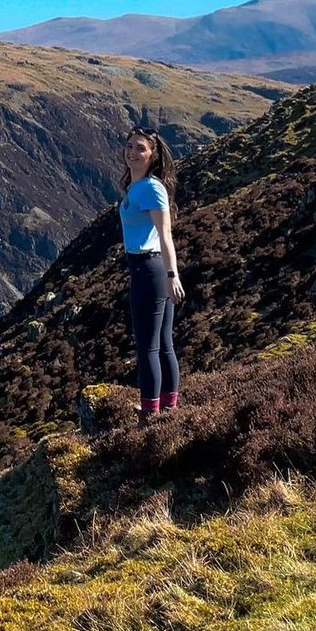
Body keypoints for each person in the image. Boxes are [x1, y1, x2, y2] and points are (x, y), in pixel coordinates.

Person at [119, 126, 185, 426]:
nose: (132, 152)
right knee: (162, 341)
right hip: (146, 269)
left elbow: (165, 234)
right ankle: (169, 407)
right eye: (130, 146)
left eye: (140, 148)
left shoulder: (152, 188)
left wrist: (172, 275)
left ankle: (150, 413)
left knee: (149, 345)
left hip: (150, 270)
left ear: (153, 154)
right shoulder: (137, 185)